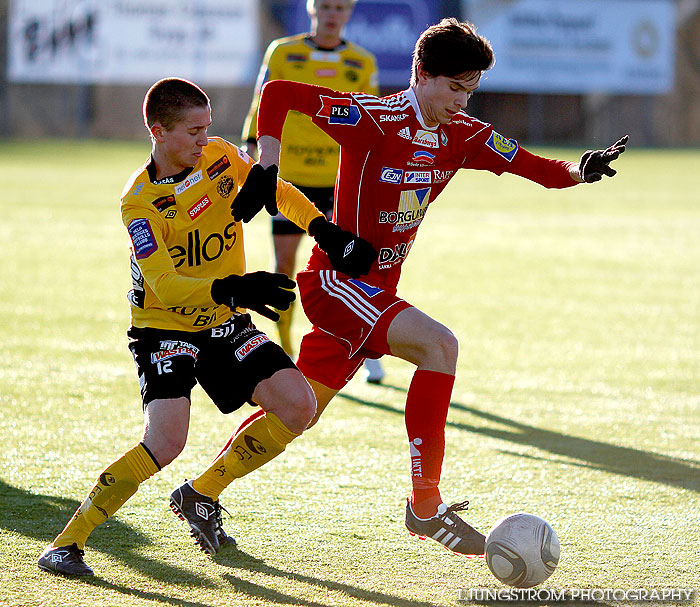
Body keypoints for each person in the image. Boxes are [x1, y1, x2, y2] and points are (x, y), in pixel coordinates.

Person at [234, 17, 628, 555]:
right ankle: (425, 506)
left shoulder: (464, 137)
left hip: (374, 294)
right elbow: (278, 94)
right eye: (454, 86)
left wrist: (580, 170)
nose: (463, 101)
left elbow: (538, 169)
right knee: (440, 346)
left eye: (471, 89)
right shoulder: (372, 118)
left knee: (298, 411)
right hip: (336, 281)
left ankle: (200, 491)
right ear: (420, 73)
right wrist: (266, 166)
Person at [37, 77, 376, 576]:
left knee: (299, 406)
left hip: (223, 320)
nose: (204, 139)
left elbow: (276, 192)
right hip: (163, 328)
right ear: (159, 132)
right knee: (166, 441)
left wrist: (328, 232)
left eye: (207, 128)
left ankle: (200, 494)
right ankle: (67, 544)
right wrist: (235, 288)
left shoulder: (218, 156)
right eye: (193, 131)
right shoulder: (140, 203)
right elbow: (167, 287)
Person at [241, 0, 386, 383]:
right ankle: (286, 348)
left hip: (341, 181)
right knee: (285, 266)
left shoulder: (362, 61)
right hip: (291, 179)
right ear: (312, 9)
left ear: (349, 12)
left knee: (352, 270)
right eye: (325, 5)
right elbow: (261, 102)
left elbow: (371, 118)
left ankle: (366, 350)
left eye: (340, 7)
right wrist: (252, 150)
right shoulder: (283, 51)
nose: (332, 13)